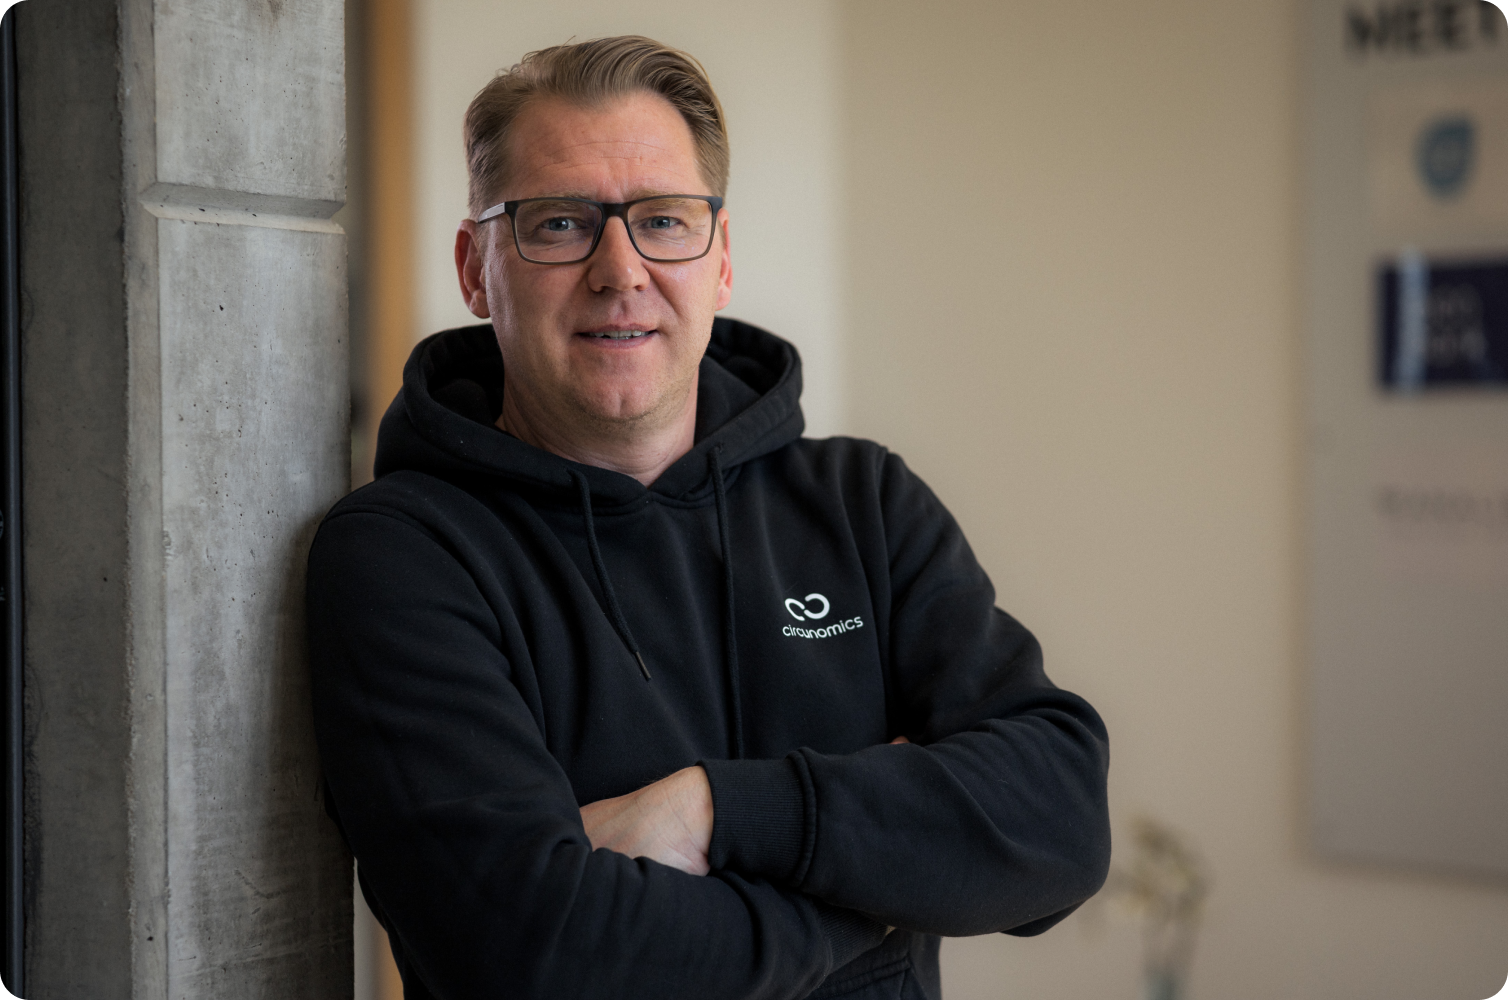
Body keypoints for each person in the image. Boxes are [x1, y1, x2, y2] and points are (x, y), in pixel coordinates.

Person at [307, 35, 1110, 1000]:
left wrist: (721, 812)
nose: (620, 269)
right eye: (559, 224)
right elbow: (534, 955)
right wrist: (886, 882)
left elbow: (1059, 819)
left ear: (721, 259)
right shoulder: (403, 556)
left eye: (663, 220)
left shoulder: (864, 504)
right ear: (477, 269)